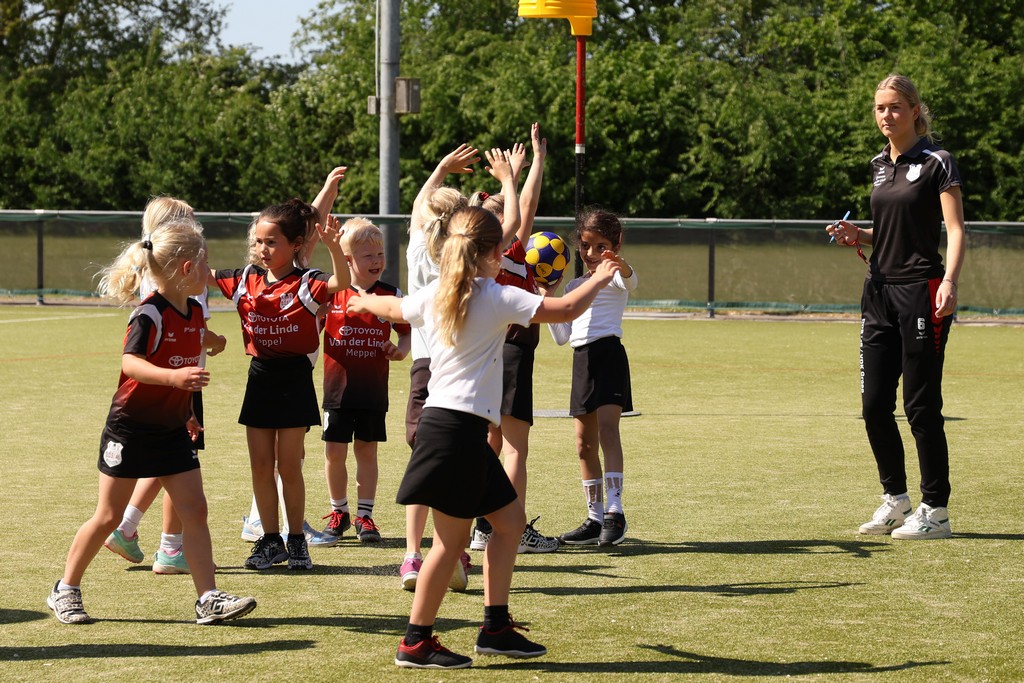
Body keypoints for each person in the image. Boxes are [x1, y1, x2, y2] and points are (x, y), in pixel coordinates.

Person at [349, 205, 623, 668]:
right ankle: (416, 641)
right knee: (449, 544)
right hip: (454, 433)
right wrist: (600, 277)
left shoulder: (439, 292)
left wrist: (360, 301)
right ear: (496, 253)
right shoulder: (496, 296)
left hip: (458, 432)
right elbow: (567, 308)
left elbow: (393, 307)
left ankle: (495, 628)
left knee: (510, 523)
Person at [47, 217, 255, 625]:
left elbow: (189, 353)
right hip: (130, 429)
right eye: (205, 262)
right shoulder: (149, 314)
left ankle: (208, 598)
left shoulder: (194, 310)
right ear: (188, 268)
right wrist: (173, 379)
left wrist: (187, 410)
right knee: (109, 516)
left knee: (194, 510)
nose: (210, 270)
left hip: (172, 429)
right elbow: (131, 364)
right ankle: (65, 589)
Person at [827, 73, 965, 540]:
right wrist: (858, 235)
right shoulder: (877, 165)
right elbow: (888, 231)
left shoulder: (937, 161)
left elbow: (955, 229)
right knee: (873, 406)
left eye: (895, 107)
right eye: (880, 108)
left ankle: (936, 510)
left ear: (914, 111)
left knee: (921, 406)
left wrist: (950, 281)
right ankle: (897, 500)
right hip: (878, 292)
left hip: (922, 291)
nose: (886, 115)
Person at [213, 198, 350, 570]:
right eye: (259, 241)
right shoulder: (245, 279)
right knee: (261, 466)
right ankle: (270, 540)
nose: (263, 249)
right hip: (260, 377)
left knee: (289, 467)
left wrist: (335, 247)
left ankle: (297, 540)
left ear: (296, 245)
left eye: (272, 242)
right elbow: (196, 274)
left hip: (293, 379)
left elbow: (343, 282)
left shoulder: (307, 282)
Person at [103, 196, 229, 575]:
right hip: (174, 385)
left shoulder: (167, 271)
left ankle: (131, 528)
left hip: (178, 386)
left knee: (170, 463)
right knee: (175, 463)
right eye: (191, 223)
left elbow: (192, 327)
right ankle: (169, 546)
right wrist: (181, 373)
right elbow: (168, 335)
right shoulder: (176, 278)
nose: (198, 229)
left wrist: (210, 340)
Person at [468, 123, 559, 555]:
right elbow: (526, 207)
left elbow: (525, 205)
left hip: (486, 354)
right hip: (512, 352)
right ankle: (512, 529)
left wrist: (526, 168)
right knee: (515, 449)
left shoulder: (479, 253)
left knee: (490, 443)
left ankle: (483, 526)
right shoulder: (506, 251)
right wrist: (528, 166)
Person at [398, 144, 475, 591]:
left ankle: (413, 556)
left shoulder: (416, 250)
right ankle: (454, 550)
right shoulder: (464, 255)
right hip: (460, 369)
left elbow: (417, 205)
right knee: (460, 463)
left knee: (422, 462)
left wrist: (442, 168)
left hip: (425, 367)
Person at [548, 208, 638, 547]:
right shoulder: (575, 285)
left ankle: (615, 512)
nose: (591, 253)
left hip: (609, 356)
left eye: (601, 246)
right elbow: (562, 335)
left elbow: (630, 280)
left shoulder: (614, 275)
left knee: (608, 431)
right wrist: (548, 295)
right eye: (585, 245)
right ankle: (594, 518)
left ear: (616, 244)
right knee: (583, 445)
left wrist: (618, 263)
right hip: (582, 360)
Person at [318, 218, 411, 543]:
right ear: (347, 260)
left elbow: (407, 333)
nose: (377, 260)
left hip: (372, 391)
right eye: (368, 255)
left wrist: (400, 350)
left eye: (380, 253)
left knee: (367, 451)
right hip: (337, 391)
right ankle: (339, 511)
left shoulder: (391, 295)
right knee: (334, 452)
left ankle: (365, 516)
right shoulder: (332, 294)